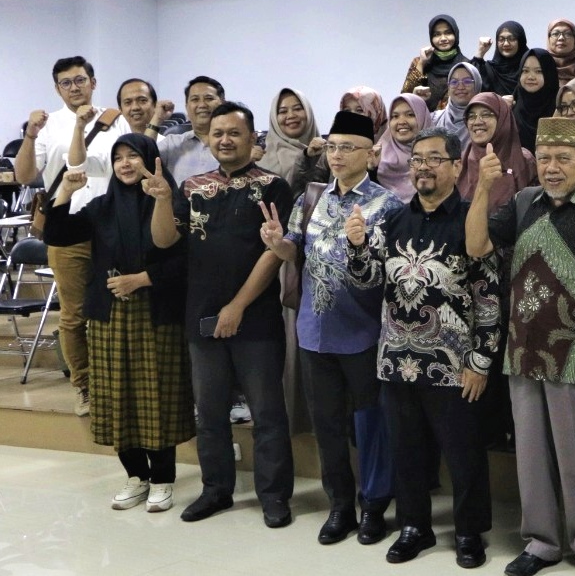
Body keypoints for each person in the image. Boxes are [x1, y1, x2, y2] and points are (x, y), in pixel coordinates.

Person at [473, 117, 575, 576]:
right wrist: (483, 189)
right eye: (544, 158)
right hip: (523, 352)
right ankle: (540, 543)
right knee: (531, 457)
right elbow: (477, 246)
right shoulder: (522, 203)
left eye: (563, 158)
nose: (552, 168)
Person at [348, 126, 504, 568]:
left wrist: (480, 361)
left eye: (435, 159)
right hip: (397, 361)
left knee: (464, 453)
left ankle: (469, 530)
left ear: (456, 166)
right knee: (406, 452)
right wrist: (357, 246)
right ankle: (414, 526)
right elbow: (367, 281)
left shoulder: (471, 218)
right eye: (417, 159)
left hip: (454, 366)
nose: (424, 167)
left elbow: (489, 297)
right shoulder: (393, 220)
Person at [149, 101, 296, 528]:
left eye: (234, 133)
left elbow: (274, 253)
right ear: (208, 139)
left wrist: (237, 307)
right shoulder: (191, 186)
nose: (225, 140)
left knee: (267, 413)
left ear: (252, 138)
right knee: (210, 413)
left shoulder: (273, 186)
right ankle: (216, 490)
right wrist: (162, 200)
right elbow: (164, 241)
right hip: (201, 314)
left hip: (257, 319)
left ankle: (274, 496)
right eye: (218, 133)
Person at [260, 111, 403, 547]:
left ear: (370, 154)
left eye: (348, 148)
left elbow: (387, 274)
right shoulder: (313, 196)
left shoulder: (388, 205)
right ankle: (340, 505)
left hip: (363, 332)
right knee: (327, 425)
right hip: (313, 331)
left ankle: (374, 505)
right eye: (333, 147)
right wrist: (278, 243)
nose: (337, 156)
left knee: (370, 424)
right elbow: (295, 250)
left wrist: (360, 245)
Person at [44, 133, 193, 515]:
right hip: (109, 315)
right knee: (116, 397)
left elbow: (185, 259)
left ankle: (162, 479)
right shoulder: (101, 206)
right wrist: (65, 190)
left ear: (151, 159)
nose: (125, 164)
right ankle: (136, 476)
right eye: (119, 157)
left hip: (156, 313)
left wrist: (144, 279)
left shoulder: (172, 199)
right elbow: (56, 234)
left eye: (133, 156)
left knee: (156, 398)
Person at [13, 55, 127, 417]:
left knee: (117, 310)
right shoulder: (47, 125)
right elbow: (24, 175)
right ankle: (84, 386)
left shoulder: (115, 119)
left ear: (93, 82)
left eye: (80, 80)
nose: (74, 87)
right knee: (74, 315)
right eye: (66, 82)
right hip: (66, 226)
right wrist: (30, 135)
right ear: (57, 88)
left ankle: (116, 384)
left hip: (112, 226)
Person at [459, 92, 536, 207]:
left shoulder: (525, 160)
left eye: (486, 115)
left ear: (502, 119)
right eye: (471, 116)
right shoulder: (460, 161)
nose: (477, 122)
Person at [149, 76, 225, 181]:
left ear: (223, 104)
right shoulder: (172, 143)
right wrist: (157, 118)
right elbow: (143, 157)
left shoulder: (232, 143)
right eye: (195, 99)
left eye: (209, 98)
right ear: (186, 107)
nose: (202, 105)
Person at [258, 88, 326, 196]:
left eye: (297, 109)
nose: (291, 115)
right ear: (274, 118)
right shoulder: (260, 159)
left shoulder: (328, 154)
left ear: (308, 112)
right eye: (283, 111)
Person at [402, 14, 471, 111]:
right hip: (424, 119)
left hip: (457, 120)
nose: (443, 38)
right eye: (437, 34)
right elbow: (405, 98)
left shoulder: (466, 65)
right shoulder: (420, 62)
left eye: (448, 33)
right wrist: (422, 63)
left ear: (456, 34)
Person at [377, 94, 431, 201]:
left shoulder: (438, 158)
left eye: (410, 115)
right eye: (395, 116)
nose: (401, 122)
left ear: (423, 118)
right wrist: (371, 169)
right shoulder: (375, 159)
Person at [513, 48, 561, 151]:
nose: (531, 77)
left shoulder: (561, 107)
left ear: (549, 74)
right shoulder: (511, 106)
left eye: (538, 71)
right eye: (525, 71)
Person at [431, 62, 484, 146]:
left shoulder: (485, 120)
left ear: (477, 85)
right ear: (448, 88)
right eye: (454, 82)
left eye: (467, 81)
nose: (460, 87)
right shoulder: (434, 119)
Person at [476, 20, 528, 97]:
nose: (506, 44)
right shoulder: (490, 69)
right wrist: (480, 52)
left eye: (511, 39)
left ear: (521, 41)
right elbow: (474, 88)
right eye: (501, 39)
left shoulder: (529, 68)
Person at [546, 18, 575, 83]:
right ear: (548, 39)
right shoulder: (540, 68)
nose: (561, 38)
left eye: (567, 34)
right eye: (555, 34)